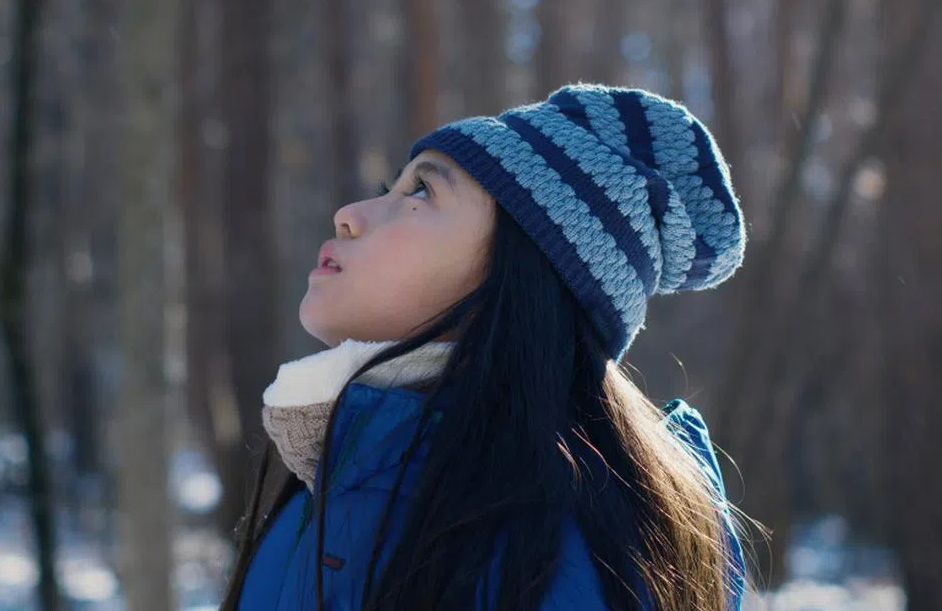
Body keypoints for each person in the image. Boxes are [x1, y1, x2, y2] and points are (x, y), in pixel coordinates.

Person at [221, 84, 751, 610]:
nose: (350, 214)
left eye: (421, 192)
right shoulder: (344, 468)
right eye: (390, 187)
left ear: (519, 276)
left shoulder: (560, 548)